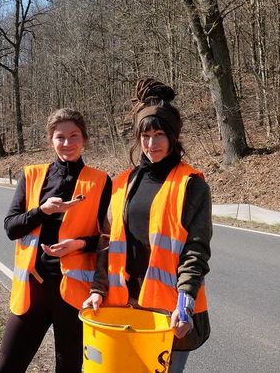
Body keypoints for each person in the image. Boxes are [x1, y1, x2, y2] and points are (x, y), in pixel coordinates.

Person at [83, 78, 212, 373]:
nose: (152, 144)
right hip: (123, 307)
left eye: (159, 135)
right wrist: (97, 289)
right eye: (146, 136)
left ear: (173, 137)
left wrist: (186, 301)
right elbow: (108, 242)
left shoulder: (191, 186)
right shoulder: (122, 183)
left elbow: (196, 249)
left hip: (169, 314)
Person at [0, 108, 112, 373]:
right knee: (6, 367)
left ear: (85, 139)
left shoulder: (101, 181)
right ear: (51, 140)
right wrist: (42, 211)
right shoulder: (32, 175)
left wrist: (80, 244)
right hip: (32, 290)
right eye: (60, 137)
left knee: (68, 368)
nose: (68, 143)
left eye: (74, 136)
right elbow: (11, 228)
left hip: (73, 294)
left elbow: (109, 240)